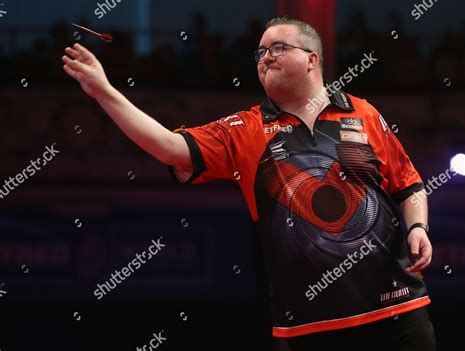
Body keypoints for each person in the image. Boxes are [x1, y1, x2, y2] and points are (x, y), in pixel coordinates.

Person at [62, 16, 436, 351]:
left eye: (277, 48)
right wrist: (104, 92)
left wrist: (418, 226)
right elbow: (169, 147)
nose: (265, 58)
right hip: (307, 327)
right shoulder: (246, 130)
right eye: (259, 53)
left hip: (398, 311)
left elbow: (409, 185)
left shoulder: (364, 113)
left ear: (311, 59)